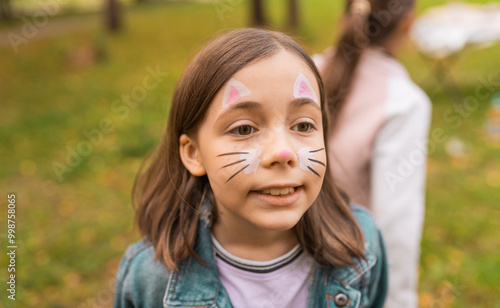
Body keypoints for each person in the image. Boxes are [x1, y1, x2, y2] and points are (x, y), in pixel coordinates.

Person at [114, 28, 388, 308]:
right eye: (244, 128)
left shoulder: (361, 243)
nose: (282, 152)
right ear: (194, 153)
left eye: (303, 125)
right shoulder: (149, 279)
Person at [313, 0, 432, 307]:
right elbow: (395, 223)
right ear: (407, 24)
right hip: (344, 279)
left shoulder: (305, 71)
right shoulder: (404, 103)